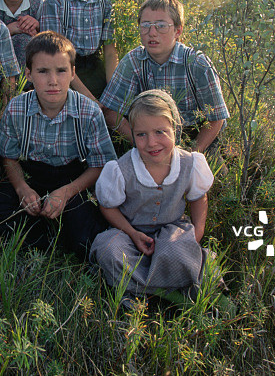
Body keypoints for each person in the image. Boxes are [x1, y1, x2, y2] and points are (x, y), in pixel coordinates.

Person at [0, 31, 117, 261]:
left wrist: (65, 193)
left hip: (73, 179)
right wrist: (22, 189)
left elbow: (100, 165)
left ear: (73, 73)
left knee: (85, 235)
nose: (53, 81)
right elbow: (9, 157)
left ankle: (60, 234)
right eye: (43, 71)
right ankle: (39, 238)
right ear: (29, 74)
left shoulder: (88, 112)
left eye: (61, 71)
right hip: (31, 174)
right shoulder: (16, 109)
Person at [90, 90, 213, 304]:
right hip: (129, 233)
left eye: (160, 132)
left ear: (175, 128)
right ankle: (168, 289)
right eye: (141, 135)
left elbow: (198, 198)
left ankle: (136, 288)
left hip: (171, 231)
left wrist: (196, 236)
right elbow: (107, 206)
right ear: (133, 134)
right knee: (108, 249)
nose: (152, 143)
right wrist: (132, 233)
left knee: (175, 250)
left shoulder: (189, 163)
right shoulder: (122, 168)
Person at [100, 0, 228, 153]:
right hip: (147, 135)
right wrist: (141, 142)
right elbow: (111, 111)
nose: (152, 33)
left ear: (177, 31)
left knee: (209, 176)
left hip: (193, 135)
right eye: (145, 25)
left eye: (161, 26)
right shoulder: (133, 61)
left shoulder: (196, 64)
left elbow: (216, 118)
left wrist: (192, 153)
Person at [38, 0, 118, 102]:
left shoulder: (107, 0)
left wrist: (112, 95)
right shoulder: (56, 1)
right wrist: (89, 98)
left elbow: (110, 52)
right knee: (83, 110)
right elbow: (56, 56)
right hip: (64, 70)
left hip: (96, 67)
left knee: (117, 113)